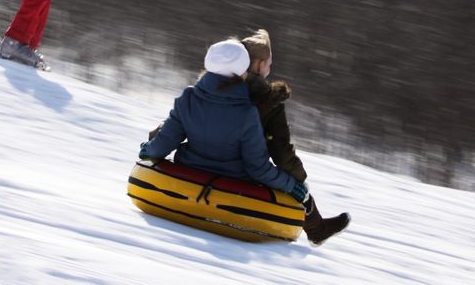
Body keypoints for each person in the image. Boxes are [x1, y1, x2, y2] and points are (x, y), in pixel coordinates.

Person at [139, 38, 311, 206]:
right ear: (242, 71)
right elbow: (258, 168)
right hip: (231, 187)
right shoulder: (247, 113)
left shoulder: (188, 99)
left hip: (187, 174)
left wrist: (148, 148)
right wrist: (291, 185)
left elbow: (163, 143)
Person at [240, 29, 350, 247]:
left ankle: (316, 227)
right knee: (295, 186)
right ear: (261, 65)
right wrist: (300, 178)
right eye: (269, 64)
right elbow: (281, 150)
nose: (270, 69)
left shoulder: (215, 88)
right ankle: (315, 227)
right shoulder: (269, 101)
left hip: (204, 157)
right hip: (246, 169)